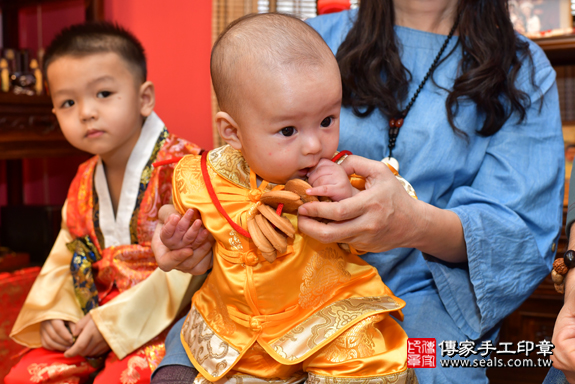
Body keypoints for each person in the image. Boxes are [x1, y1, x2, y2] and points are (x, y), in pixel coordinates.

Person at [154, 0, 565, 383]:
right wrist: (196, 239)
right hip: (269, 293)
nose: (314, 145)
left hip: (434, 304)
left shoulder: (523, 70)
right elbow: (239, 178)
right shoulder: (305, 42)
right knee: (181, 368)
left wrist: (411, 223)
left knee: (425, 365)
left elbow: (521, 239)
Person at [155, 12, 417, 384]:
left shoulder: (343, 173)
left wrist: (344, 201)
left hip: (328, 324)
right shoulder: (203, 177)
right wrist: (173, 242)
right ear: (232, 131)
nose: (314, 145)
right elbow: (173, 222)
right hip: (233, 328)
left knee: (369, 365)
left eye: (327, 120)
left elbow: (394, 214)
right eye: (288, 130)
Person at [6, 22, 208, 384]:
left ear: (144, 97)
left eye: (103, 93)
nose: (85, 112)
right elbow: (64, 257)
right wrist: (56, 312)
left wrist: (115, 324)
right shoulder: (83, 178)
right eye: (68, 102)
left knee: (123, 378)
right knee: (27, 375)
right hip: (92, 309)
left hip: (168, 316)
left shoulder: (185, 169)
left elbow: (187, 272)